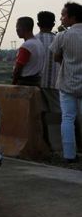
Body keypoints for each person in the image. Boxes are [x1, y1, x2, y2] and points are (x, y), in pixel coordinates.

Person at [50, 1, 82, 163]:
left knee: (68, 118)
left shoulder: (63, 36)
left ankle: (69, 154)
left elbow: (56, 57)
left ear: (72, 17)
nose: (61, 18)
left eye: (63, 15)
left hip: (67, 83)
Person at [36, 10, 61, 149]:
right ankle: (58, 144)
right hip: (55, 84)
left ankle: (46, 142)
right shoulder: (59, 39)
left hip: (38, 84)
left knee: (41, 113)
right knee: (59, 114)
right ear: (53, 24)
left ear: (38, 24)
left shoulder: (33, 40)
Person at [12, 16, 46, 87]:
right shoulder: (38, 43)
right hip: (36, 81)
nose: (16, 30)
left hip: (25, 82)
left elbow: (18, 69)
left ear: (23, 28)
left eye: (17, 27)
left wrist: (13, 83)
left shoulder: (27, 46)